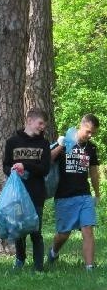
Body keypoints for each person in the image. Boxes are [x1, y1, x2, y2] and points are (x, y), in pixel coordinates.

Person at [48, 114, 101, 271]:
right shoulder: (66, 142)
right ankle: (53, 251)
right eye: (88, 131)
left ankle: (89, 268)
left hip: (84, 195)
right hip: (64, 196)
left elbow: (94, 173)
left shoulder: (91, 148)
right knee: (64, 234)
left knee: (88, 229)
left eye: (93, 133)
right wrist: (60, 146)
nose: (90, 135)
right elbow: (47, 159)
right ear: (81, 125)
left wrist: (97, 194)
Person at [3, 109, 51, 272]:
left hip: (36, 193)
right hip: (17, 195)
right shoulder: (12, 142)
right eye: (40, 123)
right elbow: (5, 165)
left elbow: (45, 169)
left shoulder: (44, 144)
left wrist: (26, 165)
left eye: (44, 124)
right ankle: (20, 260)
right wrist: (13, 170)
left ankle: (38, 268)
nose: (43, 127)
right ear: (29, 120)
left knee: (36, 231)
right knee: (19, 229)